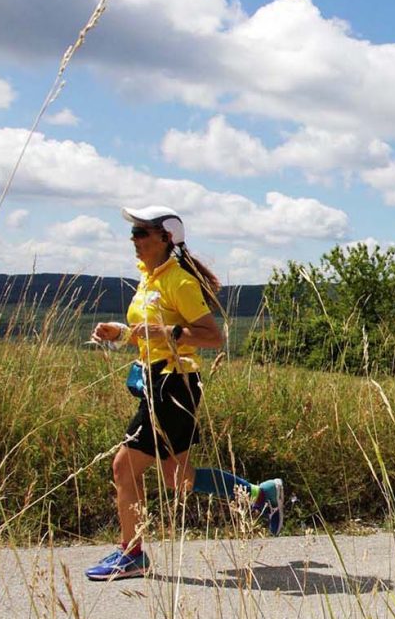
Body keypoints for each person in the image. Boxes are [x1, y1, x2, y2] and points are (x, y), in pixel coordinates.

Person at [84, 205, 283, 581]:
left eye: (142, 232)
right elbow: (152, 332)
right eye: (134, 233)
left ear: (166, 238)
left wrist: (167, 334)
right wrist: (120, 332)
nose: (134, 239)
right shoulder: (149, 279)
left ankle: (132, 554)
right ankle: (260, 496)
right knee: (179, 478)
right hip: (155, 380)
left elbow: (212, 336)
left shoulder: (180, 282)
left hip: (175, 386)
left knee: (123, 467)